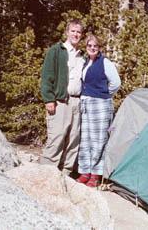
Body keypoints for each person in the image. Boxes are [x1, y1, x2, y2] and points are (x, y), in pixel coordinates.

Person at [40, 19, 84, 175]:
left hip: (77, 102)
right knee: (57, 136)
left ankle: (66, 173)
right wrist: (48, 99)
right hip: (60, 102)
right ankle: (46, 173)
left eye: (78, 32)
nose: (75, 34)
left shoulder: (82, 56)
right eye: (73, 31)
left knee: (73, 139)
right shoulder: (56, 51)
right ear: (67, 32)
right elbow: (46, 76)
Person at [76, 34, 121, 187]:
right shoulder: (85, 62)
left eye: (95, 46)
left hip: (101, 104)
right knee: (85, 139)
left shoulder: (105, 62)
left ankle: (95, 174)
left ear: (99, 48)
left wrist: (105, 94)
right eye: (89, 45)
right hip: (86, 103)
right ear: (86, 47)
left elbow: (116, 83)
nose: (92, 48)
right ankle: (84, 171)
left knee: (99, 140)